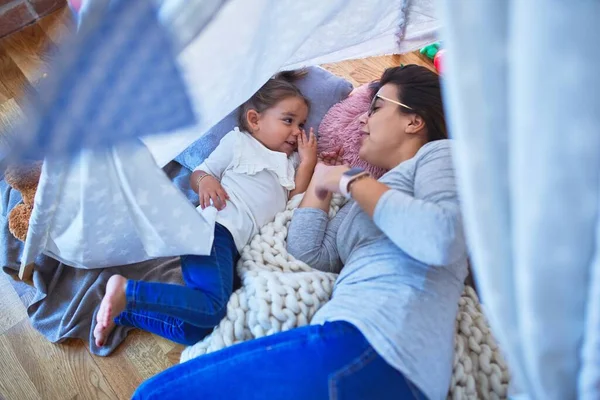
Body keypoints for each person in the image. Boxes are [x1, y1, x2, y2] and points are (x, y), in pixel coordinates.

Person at [132, 64, 468, 400]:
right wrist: (319, 184)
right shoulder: (361, 201)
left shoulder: (441, 156)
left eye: (377, 107)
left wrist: (350, 180)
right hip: (354, 345)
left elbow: (442, 237)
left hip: (375, 340)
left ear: (414, 120)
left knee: (156, 394)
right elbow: (311, 256)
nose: (363, 119)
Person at [93, 71, 318, 347]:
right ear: (254, 120)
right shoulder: (239, 143)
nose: (298, 131)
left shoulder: (289, 163)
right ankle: (129, 291)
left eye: (302, 124)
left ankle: (124, 313)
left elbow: (294, 200)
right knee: (213, 308)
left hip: (236, 252)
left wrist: (307, 162)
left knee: (197, 330)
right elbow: (201, 173)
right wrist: (206, 181)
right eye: (288, 121)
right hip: (213, 230)